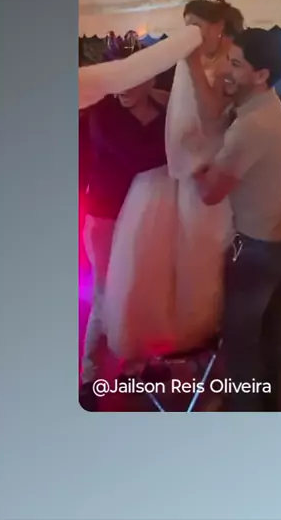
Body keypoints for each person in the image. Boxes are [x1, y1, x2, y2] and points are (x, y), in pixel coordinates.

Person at [102, 0, 244, 363]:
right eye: (186, 25)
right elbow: (181, 100)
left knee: (198, 257)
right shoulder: (185, 58)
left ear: (217, 27)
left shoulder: (230, 62)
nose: (190, 32)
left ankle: (195, 338)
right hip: (169, 172)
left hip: (203, 174)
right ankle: (157, 342)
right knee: (153, 260)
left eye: (196, 25)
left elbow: (213, 114)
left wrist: (193, 62)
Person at [191, 29, 281, 411]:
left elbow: (210, 193)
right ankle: (269, 407)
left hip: (260, 246)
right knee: (271, 329)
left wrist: (191, 165)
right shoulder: (266, 101)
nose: (226, 69)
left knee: (240, 340)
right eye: (228, 58)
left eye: (236, 64)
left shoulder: (250, 126)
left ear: (261, 75)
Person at [79, 40, 170, 410]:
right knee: (106, 296)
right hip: (106, 218)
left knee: (142, 291)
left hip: (148, 217)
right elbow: (137, 155)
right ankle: (90, 376)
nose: (124, 86)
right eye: (119, 77)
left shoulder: (164, 111)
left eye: (133, 77)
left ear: (151, 78)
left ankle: (135, 365)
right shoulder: (103, 113)